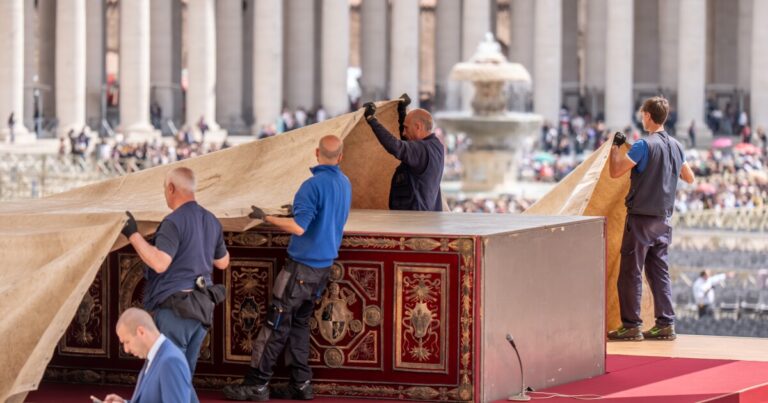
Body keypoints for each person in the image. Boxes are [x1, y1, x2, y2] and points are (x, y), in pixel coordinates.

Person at [223, 135, 351, 401]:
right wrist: (299, 210)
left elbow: (299, 227)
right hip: (323, 269)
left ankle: (257, 384)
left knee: (276, 324)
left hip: (301, 268)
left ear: (316, 153)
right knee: (300, 325)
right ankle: (301, 384)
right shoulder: (345, 183)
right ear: (341, 157)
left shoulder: (311, 186)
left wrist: (267, 217)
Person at [121, 167, 230, 379]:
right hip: (202, 309)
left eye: (164, 189)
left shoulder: (174, 222)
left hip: (177, 311)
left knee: (169, 376)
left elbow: (160, 263)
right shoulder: (211, 220)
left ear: (171, 188)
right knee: (183, 378)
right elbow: (223, 262)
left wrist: (132, 234)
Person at [607, 96, 695, 341]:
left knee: (631, 272)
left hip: (641, 219)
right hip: (664, 220)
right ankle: (666, 324)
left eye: (642, 115)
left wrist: (615, 148)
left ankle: (631, 325)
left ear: (647, 115)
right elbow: (690, 178)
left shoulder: (643, 145)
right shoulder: (677, 146)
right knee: (659, 272)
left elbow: (615, 172)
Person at [362, 95, 444, 211]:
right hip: (423, 215)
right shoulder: (435, 146)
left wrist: (372, 119)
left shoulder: (422, 150)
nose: (404, 133)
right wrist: (401, 110)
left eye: (406, 128)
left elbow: (397, 147)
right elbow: (407, 143)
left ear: (418, 127)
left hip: (414, 219)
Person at [99, 308, 193, 403]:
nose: (126, 350)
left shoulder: (171, 361)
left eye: (127, 342)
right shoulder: (154, 356)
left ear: (141, 332)